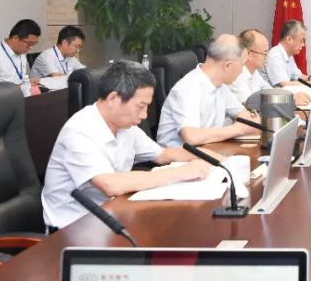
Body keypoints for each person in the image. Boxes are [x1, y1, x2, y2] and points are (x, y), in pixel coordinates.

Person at [41, 62, 213, 230]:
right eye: (141, 106)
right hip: (73, 228)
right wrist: (180, 173)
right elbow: (110, 184)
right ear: (113, 98)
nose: (144, 115)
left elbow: (163, 155)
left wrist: (211, 158)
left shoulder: (125, 127)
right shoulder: (79, 131)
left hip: (113, 214)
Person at [157, 34, 261, 148]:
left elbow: (241, 114)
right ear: (228, 66)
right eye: (242, 65)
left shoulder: (221, 86)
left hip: (210, 150)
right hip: (180, 156)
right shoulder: (188, 88)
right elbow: (191, 137)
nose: (242, 71)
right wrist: (238, 129)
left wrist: (251, 121)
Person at [0, 18, 41, 84]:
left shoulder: (22, 53)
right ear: (15, 38)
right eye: (29, 43)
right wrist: (16, 87)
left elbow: (20, 79)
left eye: (34, 44)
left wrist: (28, 82)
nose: (31, 47)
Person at [266, 19, 311, 87]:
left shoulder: (288, 55)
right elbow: (285, 85)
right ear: (289, 39)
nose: (303, 45)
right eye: (301, 41)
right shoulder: (275, 56)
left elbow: (298, 76)